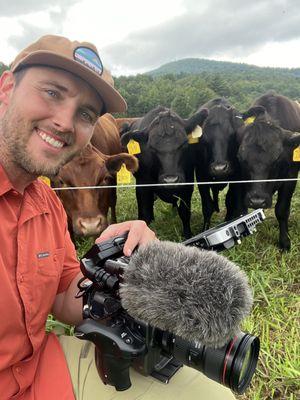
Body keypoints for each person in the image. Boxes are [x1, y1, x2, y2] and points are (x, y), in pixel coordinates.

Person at [0, 35, 236, 400]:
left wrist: (117, 267)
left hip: (38, 368)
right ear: (7, 88)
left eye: (86, 113)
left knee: (213, 396)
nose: (65, 122)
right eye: (52, 93)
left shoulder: (46, 200)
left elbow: (65, 294)